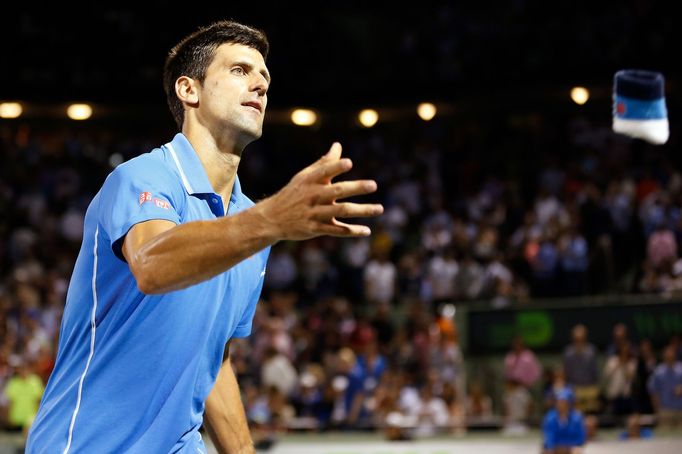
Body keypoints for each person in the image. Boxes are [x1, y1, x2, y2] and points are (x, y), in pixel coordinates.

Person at [26, 20, 382, 453]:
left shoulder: (250, 221)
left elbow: (213, 360)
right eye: (239, 70)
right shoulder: (144, 176)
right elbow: (153, 266)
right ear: (188, 90)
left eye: (264, 76)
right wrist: (271, 220)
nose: (260, 84)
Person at [542, 388, 586, 454]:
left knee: (577, 451)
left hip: (570, 447)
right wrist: (555, 448)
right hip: (555, 448)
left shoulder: (577, 418)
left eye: (563, 402)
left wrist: (567, 447)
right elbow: (549, 437)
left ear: (569, 403)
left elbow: (580, 438)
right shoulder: (550, 418)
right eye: (558, 401)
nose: (560, 404)